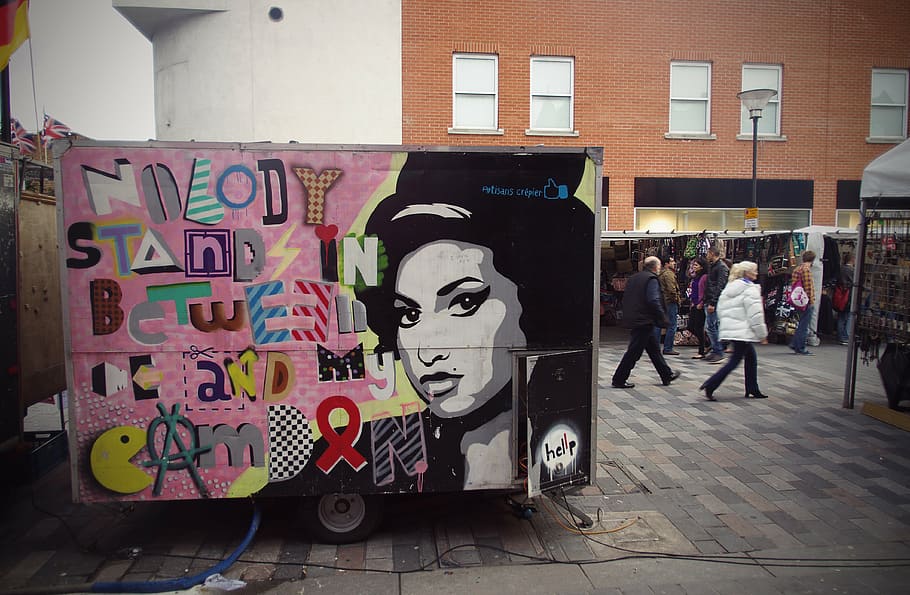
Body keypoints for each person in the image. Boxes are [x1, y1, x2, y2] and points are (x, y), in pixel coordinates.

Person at [357, 152, 594, 490]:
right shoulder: (363, 449)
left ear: (533, 303)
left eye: (464, 302)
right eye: (409, 314)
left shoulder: (559, 445)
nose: (427, 351)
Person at [699, 261, 769, 401]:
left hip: (734, 330)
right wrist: (762, 334)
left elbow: (722, 308)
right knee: (735, 361)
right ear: (747, 273)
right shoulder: (750, 289)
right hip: (742, 332)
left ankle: (752, 388)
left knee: (750, 357)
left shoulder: (731, 287)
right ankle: (711, 384)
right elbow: (755, 314)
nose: (756, 273)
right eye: (754, 271)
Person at [611, 256, 681, 389]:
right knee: (634, 351)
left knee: (653, 349)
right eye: (659, 266)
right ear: (656, 267)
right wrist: (662, 317)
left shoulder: (634, 278)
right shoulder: (651, 279)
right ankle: (619, 378)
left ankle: (666, 374)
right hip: (644, 319)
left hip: (637, 317)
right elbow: (653, 299)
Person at [703, 246, 730, 363]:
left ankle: (718, 350)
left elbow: (720, 285)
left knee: (711, 326)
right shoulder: (713, 266)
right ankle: (715, 350)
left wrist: (713, 302)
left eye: (708, 253)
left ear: (712, 253)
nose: (706, 255)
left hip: (714, 300)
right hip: (710, 299)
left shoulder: (721, 267)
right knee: (711, 326)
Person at [789, 250, 817, 355]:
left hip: (798, 300)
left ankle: (794, 343)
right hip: (805, 301)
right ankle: (800, 347)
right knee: (804, 325)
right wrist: (811, 300)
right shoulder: (806, 270)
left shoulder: (797, 269)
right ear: (813, 260)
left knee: (801, 322)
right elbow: (808, 287)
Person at [656, 256, 681, 356]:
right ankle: (668, 347)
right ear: (666, 264)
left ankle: (656, 346)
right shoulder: (668, 274)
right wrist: (676, 299)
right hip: (670, 302)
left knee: (659, 325)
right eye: (672, 261)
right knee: (672, 325)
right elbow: (671, 290)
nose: (674, 263)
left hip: (663, 301)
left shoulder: (660, 274)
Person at [688, 257, 709, 359]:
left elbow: (706, 291)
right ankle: (707, 343)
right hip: (694, 303)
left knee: (698, 327)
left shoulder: (705, 277)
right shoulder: (695, 277)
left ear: (701, 266)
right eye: (694, 265)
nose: (694, 267)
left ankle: (702, 350)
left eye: (696, 265)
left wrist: (702, 302)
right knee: (691, 326)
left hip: (700, 304)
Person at [836, 252, 855, 345]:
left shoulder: (841, 268)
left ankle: (840, 335)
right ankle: (845, 336)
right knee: (847, 316)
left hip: (841, 294)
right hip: (847, 295)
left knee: (841, 316)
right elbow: (853, 283)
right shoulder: (851, 270)